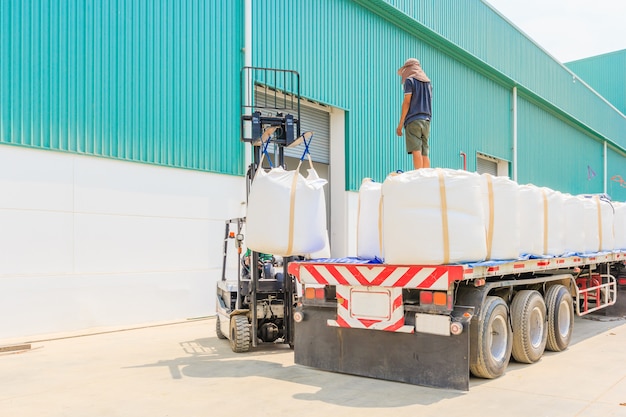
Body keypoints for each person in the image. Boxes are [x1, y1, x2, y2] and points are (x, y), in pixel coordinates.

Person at [396, 58, 433, 170]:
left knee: (416, 149)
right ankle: (426, 177)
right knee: (425, 151)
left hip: (413, 120)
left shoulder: (410, 81)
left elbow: (407, 102)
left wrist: (400, 124)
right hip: (426, 120)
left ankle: (419, 176)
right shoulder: (428, 83)